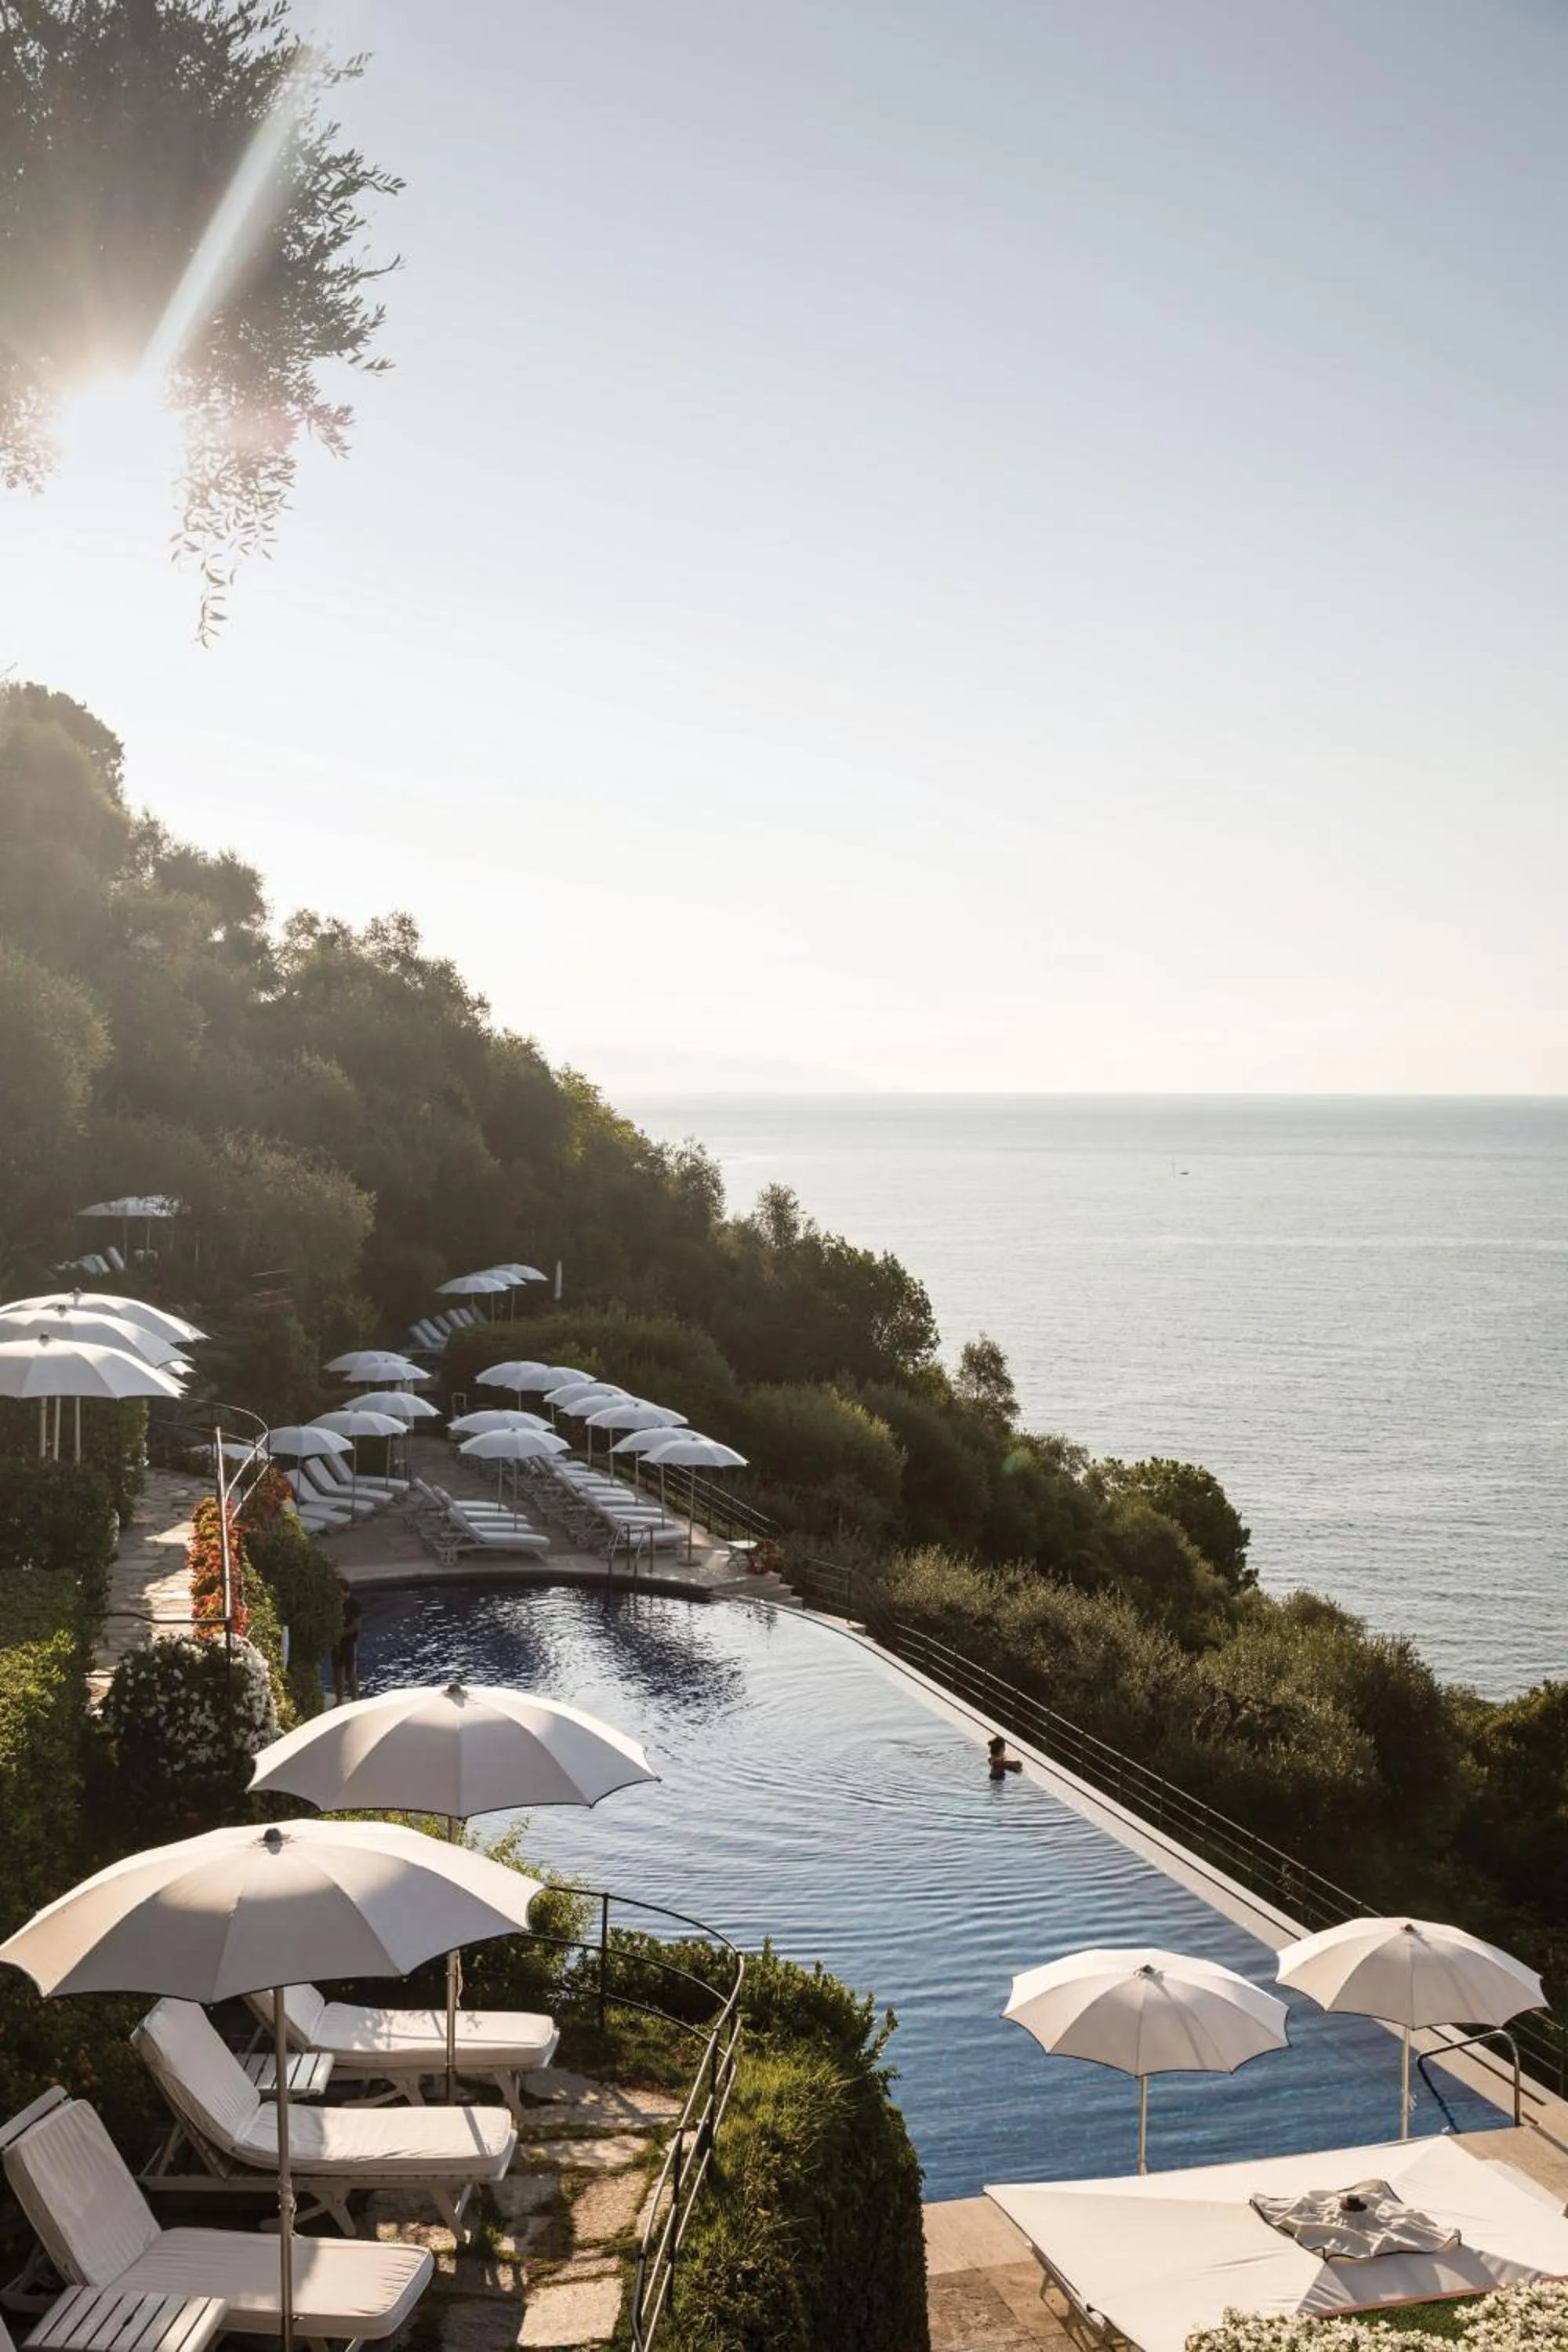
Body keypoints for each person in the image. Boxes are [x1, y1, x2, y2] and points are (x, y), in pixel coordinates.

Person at [332, 1583, 361, 1705]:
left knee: (350, 1674)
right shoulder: (335, 1605)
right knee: (338, 1672)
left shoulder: (354, 1605)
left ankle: (356, 1700)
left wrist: (341, 1633)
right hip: (337, 1642)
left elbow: (356, 1626)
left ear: (346, 1592)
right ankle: (339, 1701)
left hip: (349, 1642)